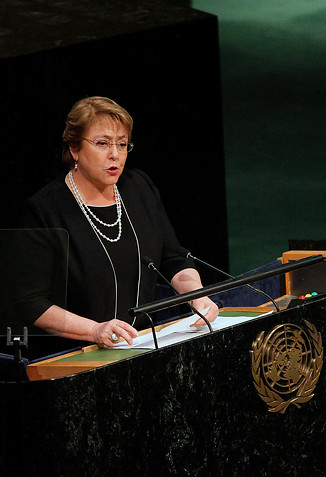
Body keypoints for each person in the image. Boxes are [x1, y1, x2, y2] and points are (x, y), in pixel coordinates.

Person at [20, 96, 218, 348]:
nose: (115, 154)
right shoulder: (45, 210)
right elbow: (31, 302)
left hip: (146, 345)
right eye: (102, 143)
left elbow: (174, 259)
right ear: (74, 149)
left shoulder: (139, 188)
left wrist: (197, 296)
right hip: (79, 354)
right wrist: (94, 330)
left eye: (122, 144)